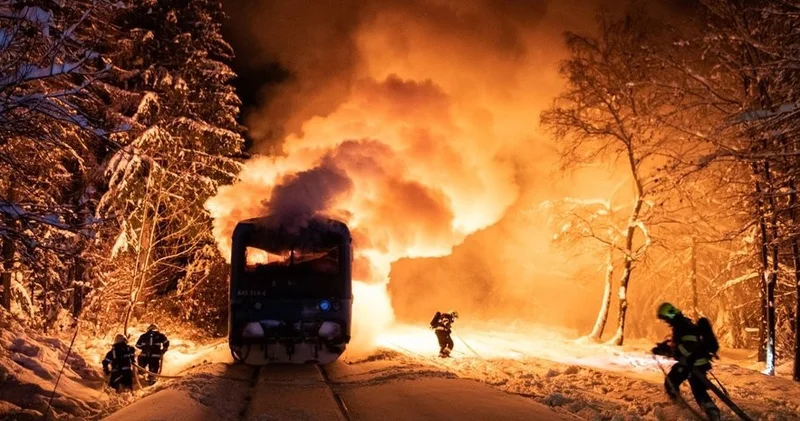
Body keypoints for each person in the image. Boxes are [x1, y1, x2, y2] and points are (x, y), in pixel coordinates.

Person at [652, 302, 721, 421]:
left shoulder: (681, 325)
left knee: (671, 382)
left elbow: (688, 347)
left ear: (669, 316)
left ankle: (678, 407)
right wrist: (667, 347)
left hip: (692, 364)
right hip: (697, 362)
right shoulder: (683, 323)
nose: (666, 322)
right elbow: (684, 343)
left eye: (665, 319)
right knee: (698, 389)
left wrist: (667, 351)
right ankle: (711, 411)